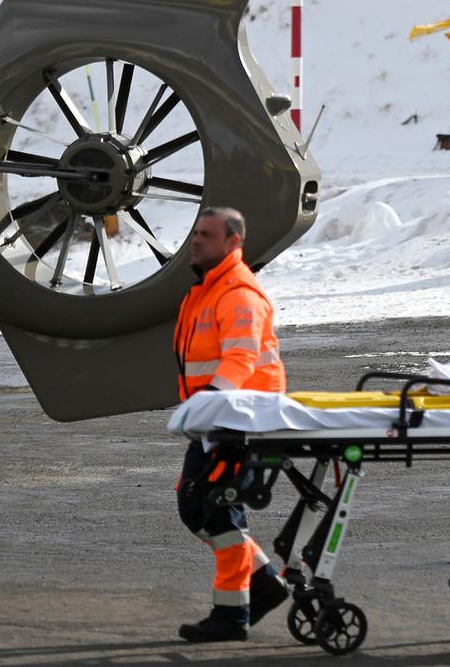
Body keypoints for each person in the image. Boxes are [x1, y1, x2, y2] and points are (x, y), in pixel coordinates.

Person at [172, 207, 290, 643]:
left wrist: (205, 405)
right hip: (214, 422)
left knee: (219, 511)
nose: (196, 240)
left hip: (237, 421)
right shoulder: (204, 291)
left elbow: (240, 360)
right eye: (195, 233)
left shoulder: (239, 293)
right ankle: (262, 584)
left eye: (206, 234)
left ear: (233, 243)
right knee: (194, 508)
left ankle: (231, 616)